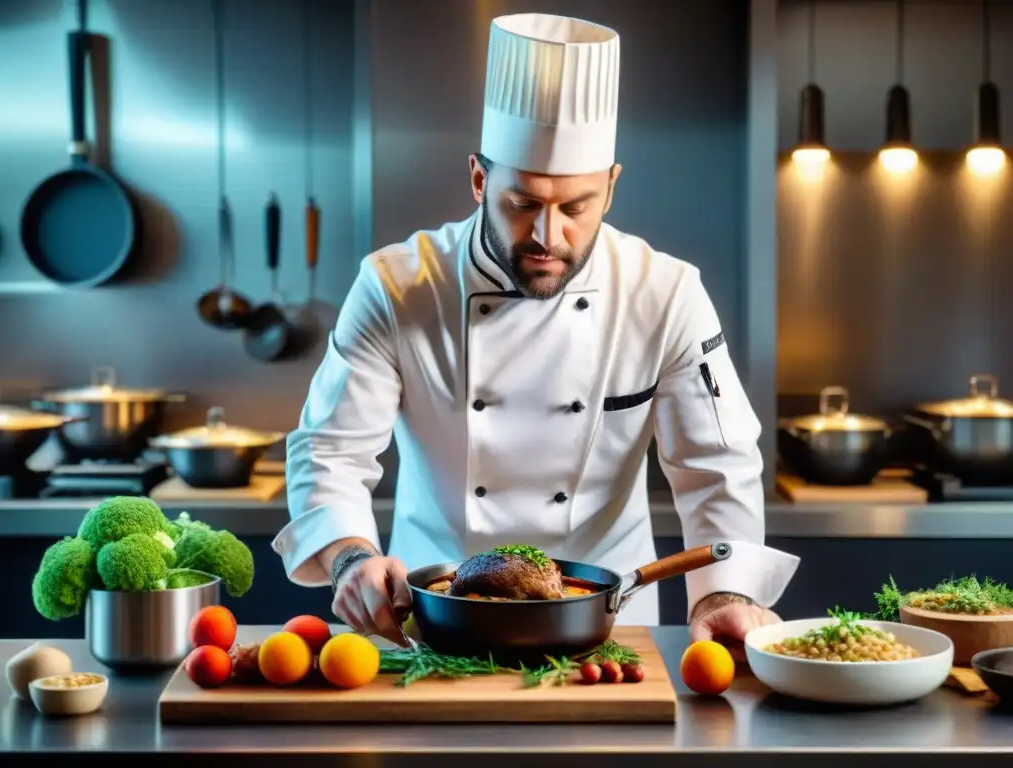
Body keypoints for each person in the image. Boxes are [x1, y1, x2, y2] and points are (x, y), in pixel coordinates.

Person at [272, 12, 800, 652]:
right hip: (430, 620)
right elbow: (329, 450)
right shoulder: (395, 287)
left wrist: (726, 594)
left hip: (610, 625)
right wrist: (351, 559)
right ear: (478, 180)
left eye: (576, 207)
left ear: (609, 188)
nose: (549, 236)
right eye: (522, 204)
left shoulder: (666, 294)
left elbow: (717, 464)